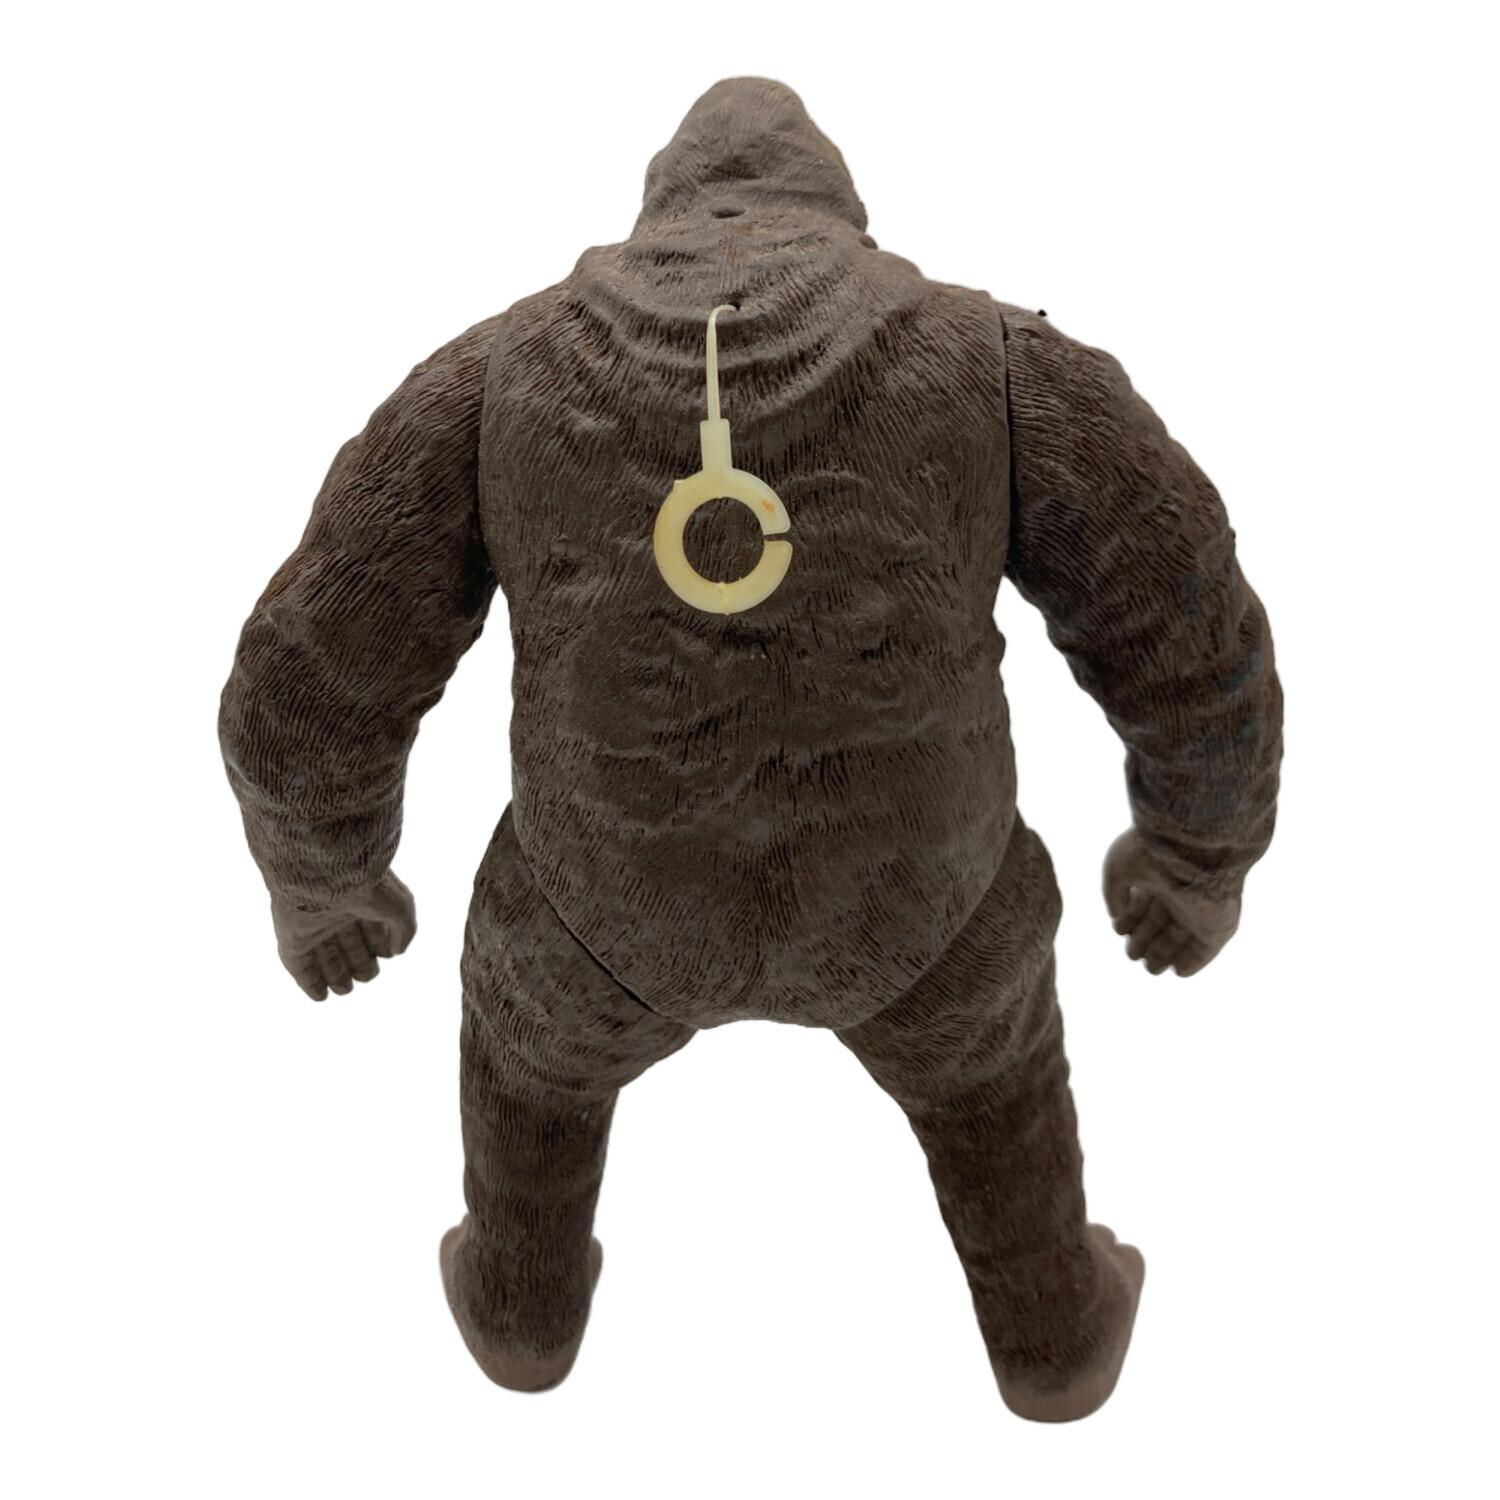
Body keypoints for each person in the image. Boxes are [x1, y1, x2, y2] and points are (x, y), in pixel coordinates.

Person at [219, 75, 1282, 1421]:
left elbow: (308, 683)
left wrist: (324, 886)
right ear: (841, 215)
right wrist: (1195, 860)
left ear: (659, 214)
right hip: (927, 910)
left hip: (597, 913)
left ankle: (518, 1306)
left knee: (529, 1055)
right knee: (991, 1068)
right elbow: (1187, 624)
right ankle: (1054, 1332)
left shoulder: (497, 377)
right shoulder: (998, 364)